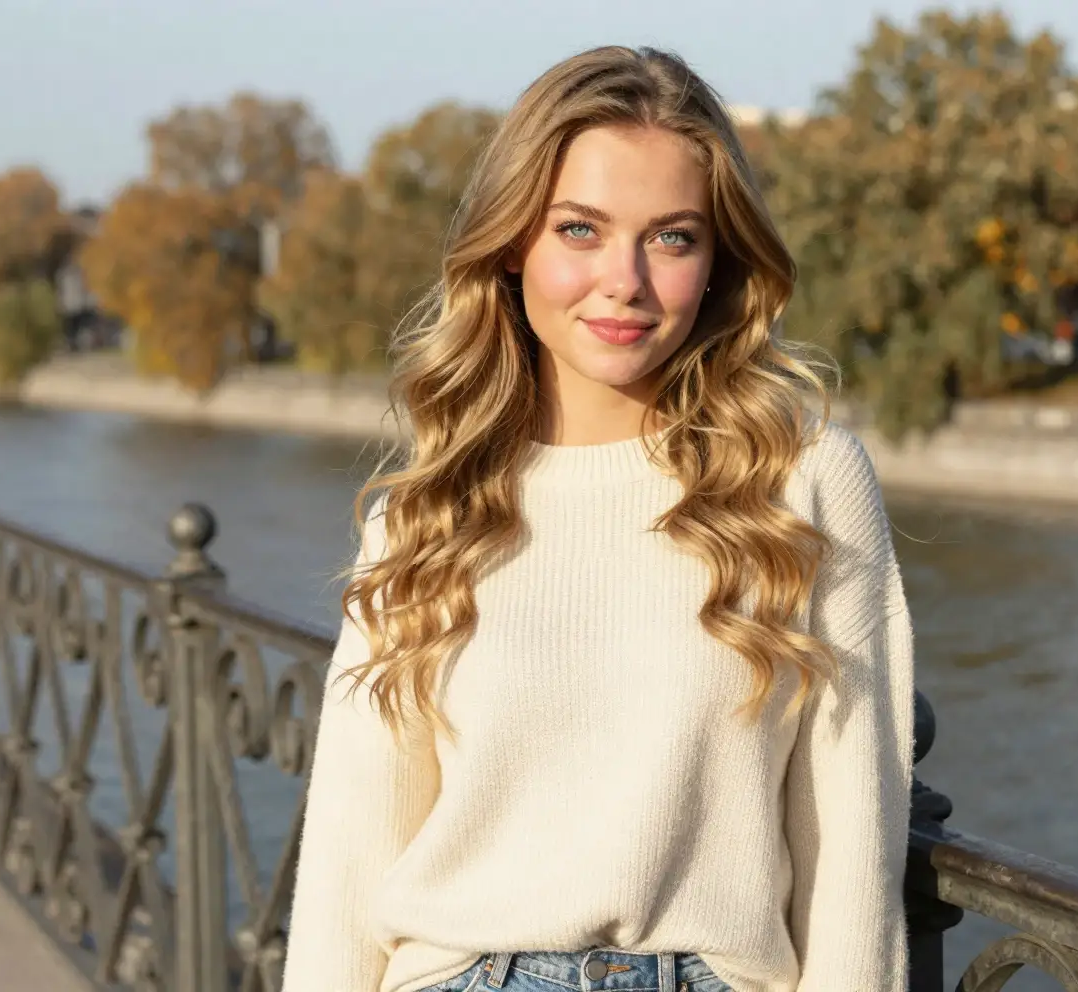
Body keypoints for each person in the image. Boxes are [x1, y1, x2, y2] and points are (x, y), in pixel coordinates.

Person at [281, 46, 916, 992]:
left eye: (672, 237)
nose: (625, 279)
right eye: (580, 229)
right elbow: (349, 852)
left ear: (717, 262)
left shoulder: (803, 481)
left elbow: (853, 846)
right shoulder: (429, 512)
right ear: (511, 248)